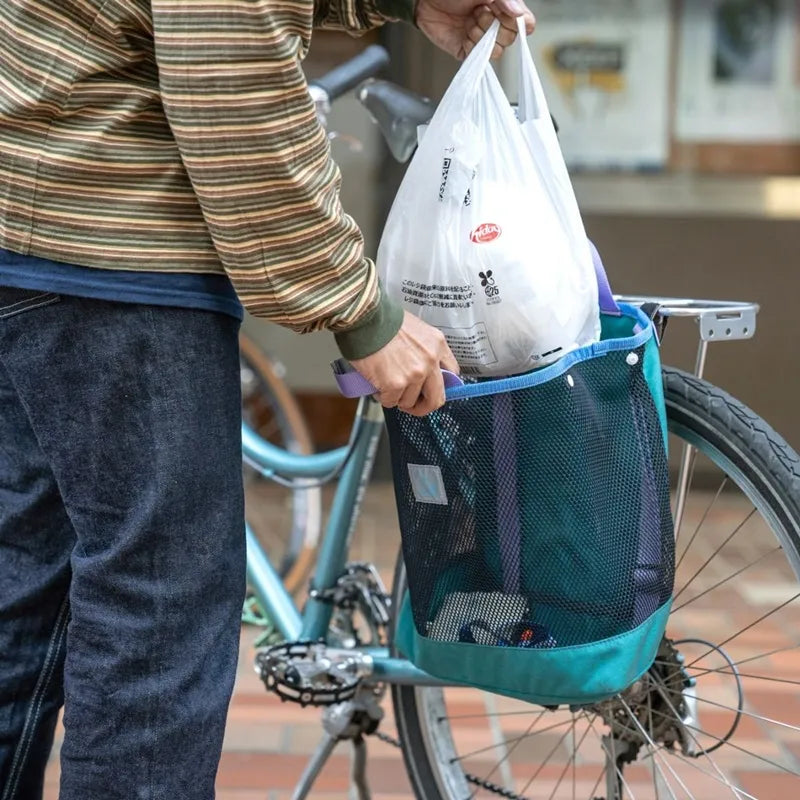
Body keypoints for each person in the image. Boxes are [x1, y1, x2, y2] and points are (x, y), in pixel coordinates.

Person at [0, 0, 534, 797]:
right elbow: (231, 85)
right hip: (114, 243)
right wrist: (362, 312)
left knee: (25, 590)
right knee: (156, 614)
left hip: (38, 220)